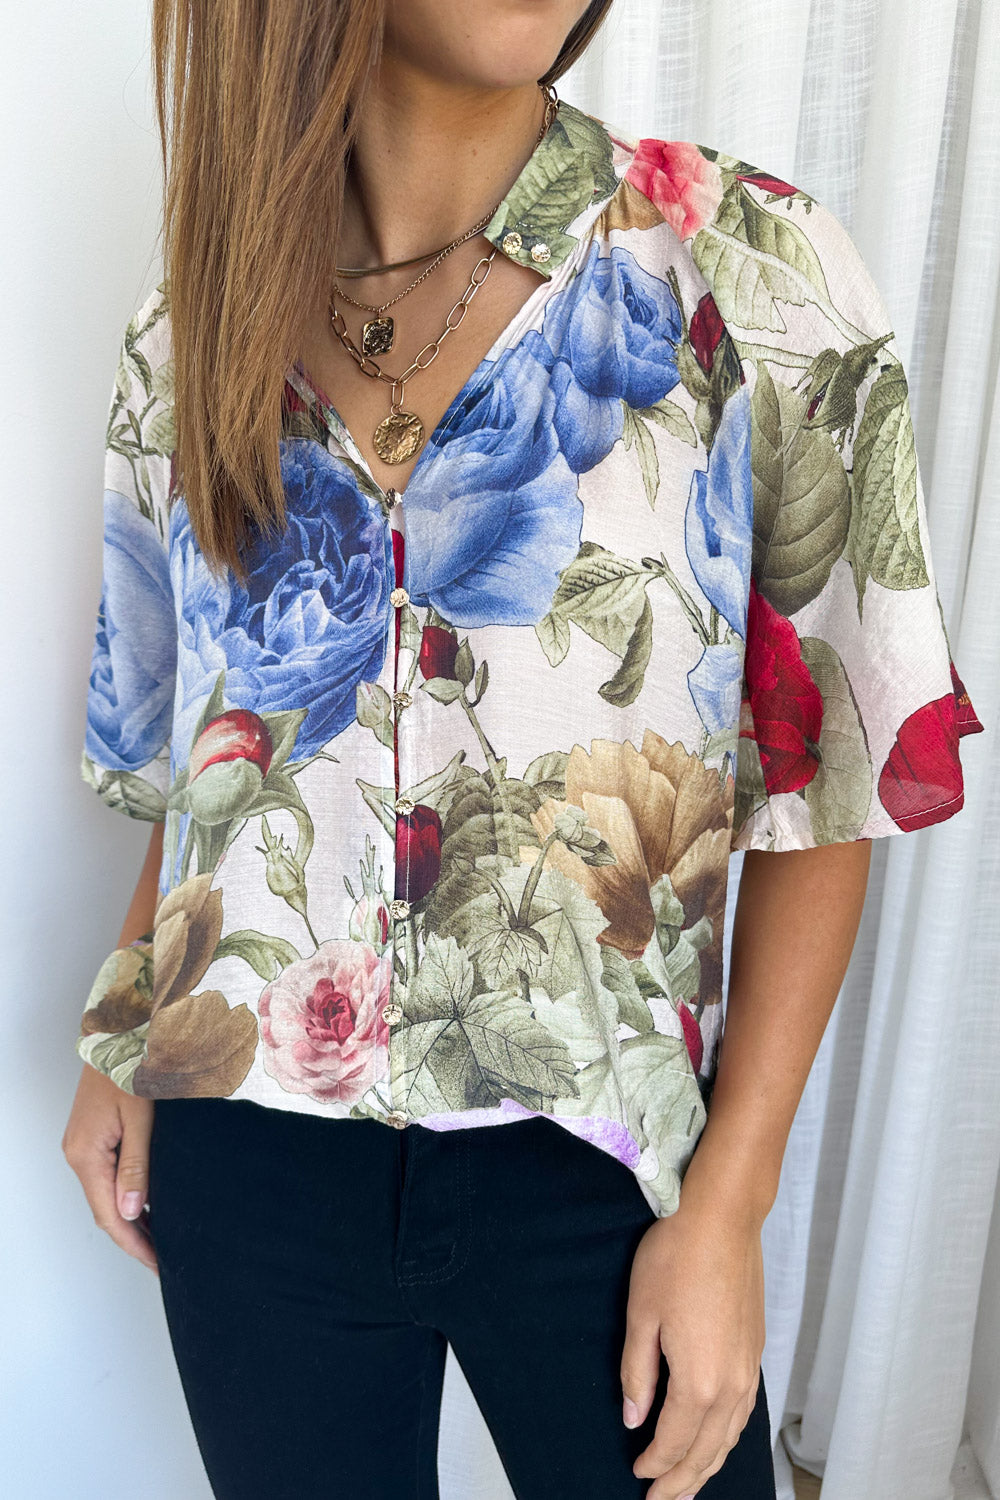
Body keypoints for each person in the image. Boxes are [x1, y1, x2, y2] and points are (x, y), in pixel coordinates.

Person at [61, 2, 983, 1497]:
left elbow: (830, 771)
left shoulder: (747, 271)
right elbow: (198, 746)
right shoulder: (195, 329)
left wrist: (730, 1206)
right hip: (251, 1138)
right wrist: (125, 1034)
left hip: (604, 1168)